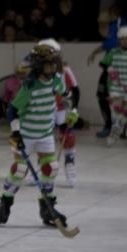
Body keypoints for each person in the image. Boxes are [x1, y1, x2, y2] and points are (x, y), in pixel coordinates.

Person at [0, 43, 70, 229]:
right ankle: (5, 202)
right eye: (48, 64)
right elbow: (12, 110)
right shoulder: (29, 86)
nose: (52, 68)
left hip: (45, 134)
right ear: (38, 65)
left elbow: (65, 96)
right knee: (20, 169)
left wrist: (69, 114)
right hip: (26, 135)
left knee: (50, 168)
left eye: (54, 64)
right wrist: (16, 131)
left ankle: (47, 208)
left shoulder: (57, 80)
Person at [88, 16, 127, 138]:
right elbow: (106, 45)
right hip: (109, 69)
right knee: (102, 95)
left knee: (125, 98)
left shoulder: (124, 27)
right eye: (100, 24)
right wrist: (94, 53)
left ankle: (125, 128)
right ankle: (109, 125)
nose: (101, 27)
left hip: (124, 70)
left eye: (103, 24)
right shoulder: (112, 30)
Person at [37, 39, 81, 186]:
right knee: (42, 139)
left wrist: (74, 108)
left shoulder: (65, 70)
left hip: (61, 109)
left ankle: (70, 166)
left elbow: (75, 90)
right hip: (44, 110)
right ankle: (42, 168)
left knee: (67, 135)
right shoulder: (35, 72)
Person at [100, 26, 127, 147]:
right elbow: (102, 63)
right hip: (115, 87)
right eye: (123, 39)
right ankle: (113, 135)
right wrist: (110, 70)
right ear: (119, 40)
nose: (125, 41)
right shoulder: (113, 52)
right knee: (117, 109)